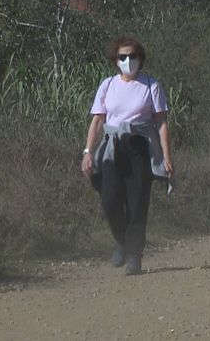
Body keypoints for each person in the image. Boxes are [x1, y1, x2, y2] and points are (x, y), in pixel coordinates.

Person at [81, 36, 174, 276]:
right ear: (116, 60)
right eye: (123, 57)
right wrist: (88, 152)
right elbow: (97, 120)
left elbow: (161, 123)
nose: (128, 61)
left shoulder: (151, 85)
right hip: (112, 148)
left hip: (140, 147)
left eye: (132, 56)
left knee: (137, 202)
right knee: (110, 199)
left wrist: (166, 156)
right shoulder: (108, 85)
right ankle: (121, 240)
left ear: (140, 59)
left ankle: (134, 255)